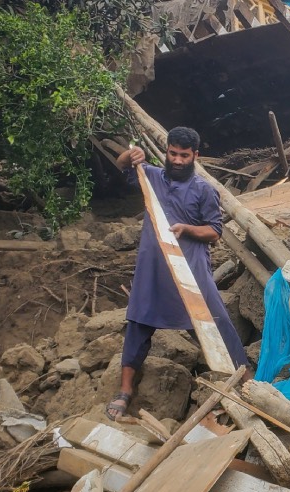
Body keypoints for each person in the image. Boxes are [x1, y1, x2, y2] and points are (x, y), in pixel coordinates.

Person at [106, 127, 250, 419]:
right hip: (153, 267)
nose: (178, 160)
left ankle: (245, 382)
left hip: (191, 268)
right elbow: (121, 167)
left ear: (195, 155)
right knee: (138, 321)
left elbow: (214, 232)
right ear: (167, 151)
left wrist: (186, 229)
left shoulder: (204, 189)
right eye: (173, 153)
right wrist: (129, 154)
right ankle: (125, 391)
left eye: (185, 155)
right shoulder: (151, 177)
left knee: (216, 321)